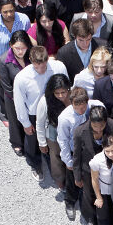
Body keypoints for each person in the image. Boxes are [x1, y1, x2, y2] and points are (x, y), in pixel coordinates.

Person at [13, 46, 69, 181]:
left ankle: (57, 166)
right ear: (31, 60)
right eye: (37, 67)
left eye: (44, 66)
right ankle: (35, 164)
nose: (41, 70)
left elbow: (67, 86)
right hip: (34, 114)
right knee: (32, 142)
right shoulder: (21, 78)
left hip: (56, 108)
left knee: (55, 139)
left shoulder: (59, 67)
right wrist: (25, 123)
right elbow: (19, 102)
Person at [57, 89, 106, 219]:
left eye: (83, 107)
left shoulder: (96, 106)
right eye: (77, 108)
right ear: (71, 103)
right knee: (72, 179)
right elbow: (62, 140)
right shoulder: (64, 118)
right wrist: (68, 161)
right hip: (75, 151)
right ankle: (70, 202)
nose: (81, 111)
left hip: (92, 148)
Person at [73, 105, 113, 225]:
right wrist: (77, 177)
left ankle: (110, 219)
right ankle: (91, 217)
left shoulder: (112, 125)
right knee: (90, 195)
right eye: (95, 127)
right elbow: (76, 156)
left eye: (102, 126)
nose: (99, 130)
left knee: (108, 194)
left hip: (108, 168)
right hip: (89, 170)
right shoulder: (79, 132)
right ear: (90, 121)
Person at [0, 0, 31, 110]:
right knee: (4, 90)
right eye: (5, 12)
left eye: (11, 11)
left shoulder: (24, 19)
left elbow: (28, 41)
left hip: (21, 62)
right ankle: (5, 112)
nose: (9, 15)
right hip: (2, 64)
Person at [0, 30, 33, 154]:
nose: (20, 51)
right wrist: (19, 100)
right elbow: (6, 85)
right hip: (12, 97)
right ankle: (17, 142)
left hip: (30, 94)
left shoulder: (31, 55)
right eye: (17, 48)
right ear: (11, 45)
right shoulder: (3, 60)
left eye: (23, 48)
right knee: (14, 120)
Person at [35, 73, 73, 188]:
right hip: (53, 131)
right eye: (57, 93)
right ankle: (59, 179)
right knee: (56, 156)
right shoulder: (44, 101)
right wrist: (42, 142)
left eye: (63, 92)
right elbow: (40, 123)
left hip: (70, 131)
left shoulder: (73, 96)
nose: (61, 96)